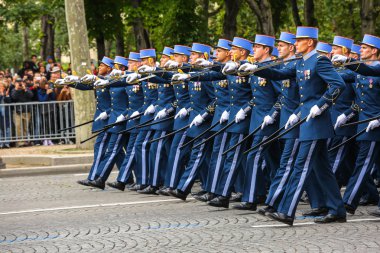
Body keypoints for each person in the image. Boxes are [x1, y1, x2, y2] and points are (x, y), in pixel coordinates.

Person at [241, 26, 347, 225]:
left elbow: (338, 84)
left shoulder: (320, 61)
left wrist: (321, 104)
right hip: (307, 122)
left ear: (310, 42)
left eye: (299, 41)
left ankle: (286, 211)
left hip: (315, 121)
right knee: (322, 168)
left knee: (301, 166)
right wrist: (256, 68)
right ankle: (337, 210)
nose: (295, 44)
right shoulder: (300, 63)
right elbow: (279, 74)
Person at [11, 78, 34, 147]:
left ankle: (24, 142)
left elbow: (31, 95)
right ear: (15, 83)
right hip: (18, 112)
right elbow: (13, 97)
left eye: (21, 82)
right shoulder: (14, 90)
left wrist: (25, 89)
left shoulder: (27, 89)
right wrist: (16, 89)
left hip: (27, 111)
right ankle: (20, 142)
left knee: (25, 128)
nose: (20, 84)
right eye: (18, 82)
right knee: (18, 127)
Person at [0, 79, 12, 148]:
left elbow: (9, 101)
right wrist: (1, 95)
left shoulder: (7, 93)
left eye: (1, 86)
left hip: (6, 113)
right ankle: (1, 143)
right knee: (0, 129)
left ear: (4, 87)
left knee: (7, 128)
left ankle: (7, 143)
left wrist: (6, 96)